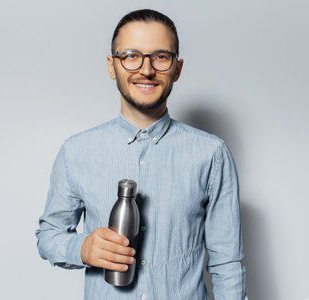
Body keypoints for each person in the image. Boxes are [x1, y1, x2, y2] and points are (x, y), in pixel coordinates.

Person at [36, 9, 248, 300]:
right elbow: (49, 236)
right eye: (131, 55)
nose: (146, 70)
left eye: (161, 57)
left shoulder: (211, 154)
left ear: (177, 68)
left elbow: (227, 264)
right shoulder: (76, 152)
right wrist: (82, 248)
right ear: (112, 66)